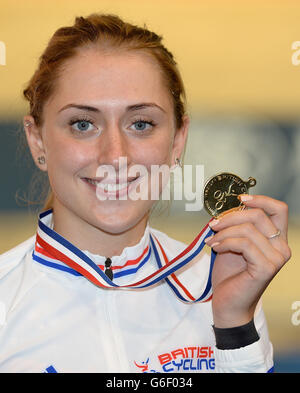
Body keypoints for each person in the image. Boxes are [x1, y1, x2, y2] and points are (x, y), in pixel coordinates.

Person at [0, 13, 291, 373]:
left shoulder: (218, 287)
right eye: (83, 124)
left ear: (177, 141)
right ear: (37, 140)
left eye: (141, 124)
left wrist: (235, 326)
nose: (115, 156)